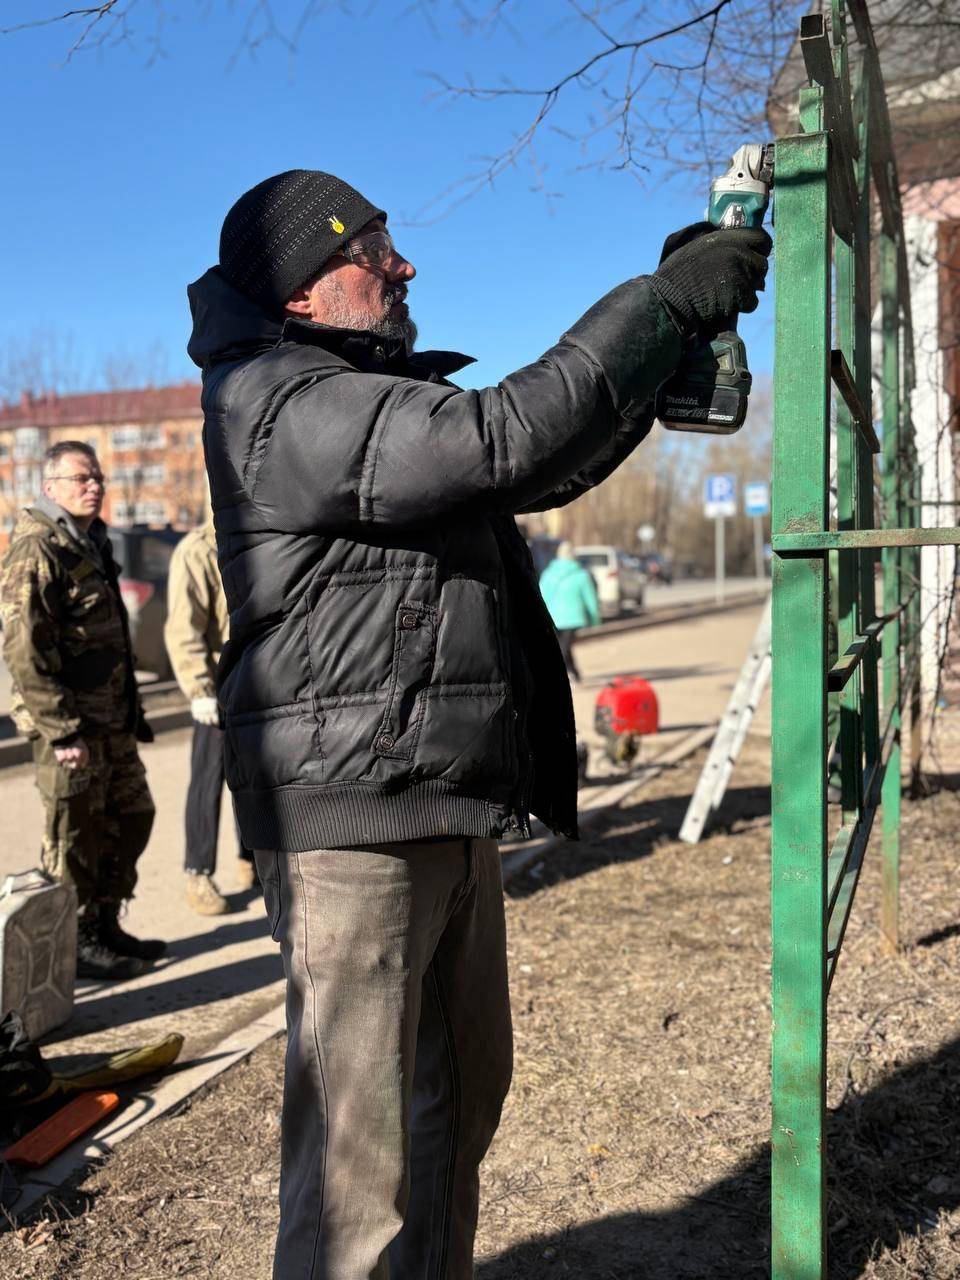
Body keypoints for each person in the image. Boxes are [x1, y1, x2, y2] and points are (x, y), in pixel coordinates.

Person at [186, 168, 770, 1278]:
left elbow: (529, 463)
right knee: (356, 1175)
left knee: (457, 1107)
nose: (403, 267)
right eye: (376, 250)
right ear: (305, 290)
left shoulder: (361, 398)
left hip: (436, 801)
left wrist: (655, 359)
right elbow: (499, 436)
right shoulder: (274, 399)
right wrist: (656, 303)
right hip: (349, 824)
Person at [0, 441, 163, 980]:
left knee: (130, 818)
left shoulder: (88, 541)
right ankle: (71, 948)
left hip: (110, 723)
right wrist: (62, 729)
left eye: (97, 478)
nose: (94, 486)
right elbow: (23, 650)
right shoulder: (37, 547)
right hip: (70, 729)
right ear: (50, 488)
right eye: (80, 479)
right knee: (74, 839)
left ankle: (104, 922)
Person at [164, 517, 256, 914]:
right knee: (207, 782)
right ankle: (197, 873)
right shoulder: (198, 550)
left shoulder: (257, 536)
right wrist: (198, 688)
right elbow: (183, 628)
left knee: (257, 779)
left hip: (260, 683)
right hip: (217, 685)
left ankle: (250, 858)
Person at [538, 541, 601, 681]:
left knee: (563, 647)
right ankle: (573, 673)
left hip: (553, 616)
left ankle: (567, 674)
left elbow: (541, 596)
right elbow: (590, 599)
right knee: (564, 648)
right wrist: (594, 619)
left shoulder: (549, 574)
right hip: (574, 618)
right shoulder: (582, 575)